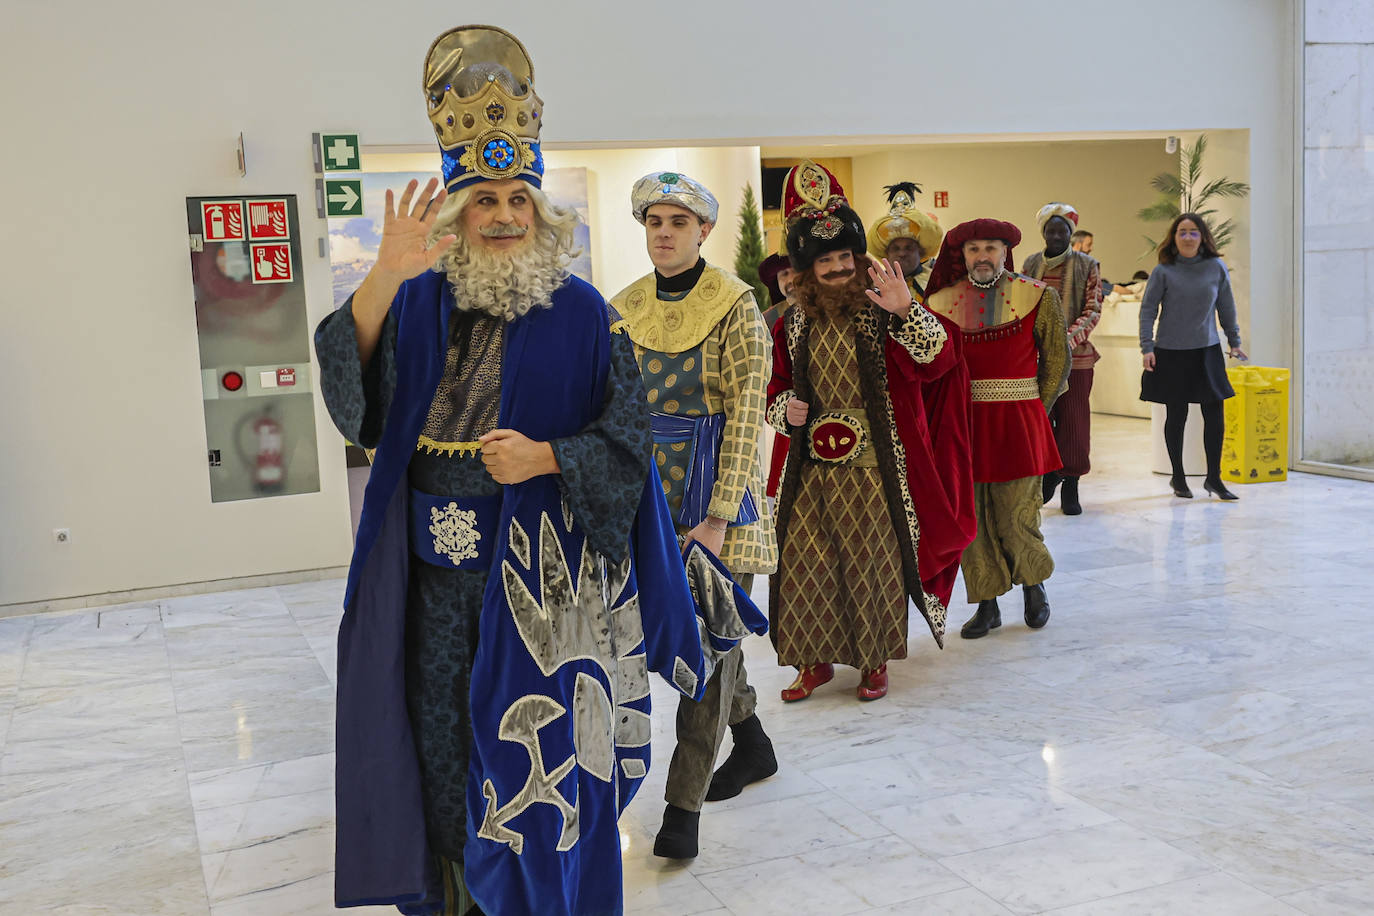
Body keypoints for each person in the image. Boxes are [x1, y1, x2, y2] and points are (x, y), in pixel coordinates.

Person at [315, 26, 761, 916]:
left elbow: (629, 440)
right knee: (441, 756)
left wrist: (551, 456)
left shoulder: (584, 315)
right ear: (455, 211)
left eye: (520, 195)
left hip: (542, 594)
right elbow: (351, 401)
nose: (505, 214)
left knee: (532, 764)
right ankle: (455, 900)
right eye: (484, 198)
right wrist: (377, 282)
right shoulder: (412, 302)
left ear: (542, 209)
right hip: (430, 596)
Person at [610, 171, 779, 859]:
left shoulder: (736, 305)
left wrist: (713, 517)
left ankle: (683, 808)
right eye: (654, 222)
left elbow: (746, 412)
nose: (665, 233)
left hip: (718, 500)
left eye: (678, 222)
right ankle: (755, 743)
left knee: (705, 651)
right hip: (649, 499)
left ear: (703, 230)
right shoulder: (622, 307)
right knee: (710, 639)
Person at [766, 161, 974, 702]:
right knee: (805, 564)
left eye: (843, 257)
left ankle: (873, 660)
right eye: (824, 261)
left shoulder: (889, 308)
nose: (836, 268)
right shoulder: (792, 324)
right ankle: (813, 662)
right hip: (812, 469)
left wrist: (908, 312)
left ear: (859, 260)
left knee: (872, 564)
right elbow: (774, 389)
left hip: (877, 469)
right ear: (806, 270)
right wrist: (782, 408)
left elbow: (941, 360)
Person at [923, 219, 1070, 640]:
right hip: (962, 425)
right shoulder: (941, 301)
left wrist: (1034, 411)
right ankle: (986, 604)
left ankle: (1033, 587)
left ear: (1005, 252)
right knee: (971, 520)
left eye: (991, 248)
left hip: (1019, 423)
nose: (982, 256)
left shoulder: (1039, 296)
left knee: (1018, 513)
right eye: (974, 250)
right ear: (963, 255)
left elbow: (1056, 362)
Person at [1139, 212, 1247, 500]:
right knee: (1176, 414)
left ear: (1203, 237)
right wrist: (1147, 347)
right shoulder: (1164, 270)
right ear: (1174, 238)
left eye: (1193, 232)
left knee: (1215, 413)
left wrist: (1235, 342)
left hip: (1206, 350)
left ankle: (1214, 478)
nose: (1187, 237)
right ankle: (1178, 477)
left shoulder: (1215, 267)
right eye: (1182, 232)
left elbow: (1227, 307)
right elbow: (1148, 310)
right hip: (1170, 352)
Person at [1022, 203, 1102, 516]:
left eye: (1062, 230)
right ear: (1043, 233)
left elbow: (1092, 309)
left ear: (1071, 232)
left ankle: (1072, 484)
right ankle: (1048, 473)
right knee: (1040, 421)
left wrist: (1063, 342)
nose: (1056, 235)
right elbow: (1023, 305)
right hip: (1035, 361)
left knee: (1074, 423)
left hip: (1077, 359)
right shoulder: (1030, 263)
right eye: (1050, 230)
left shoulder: (1087, 264)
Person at [759, 252, 797, 497]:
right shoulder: (768, 319)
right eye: (783, 274)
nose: (790, 279)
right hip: (787, 419)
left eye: (794, 270)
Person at [867, 181, 943, 301]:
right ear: (886, 254)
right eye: (895, 248)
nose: (902, 253)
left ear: (921, 252)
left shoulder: (938, 286)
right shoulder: (874, 287)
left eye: (909, 248)